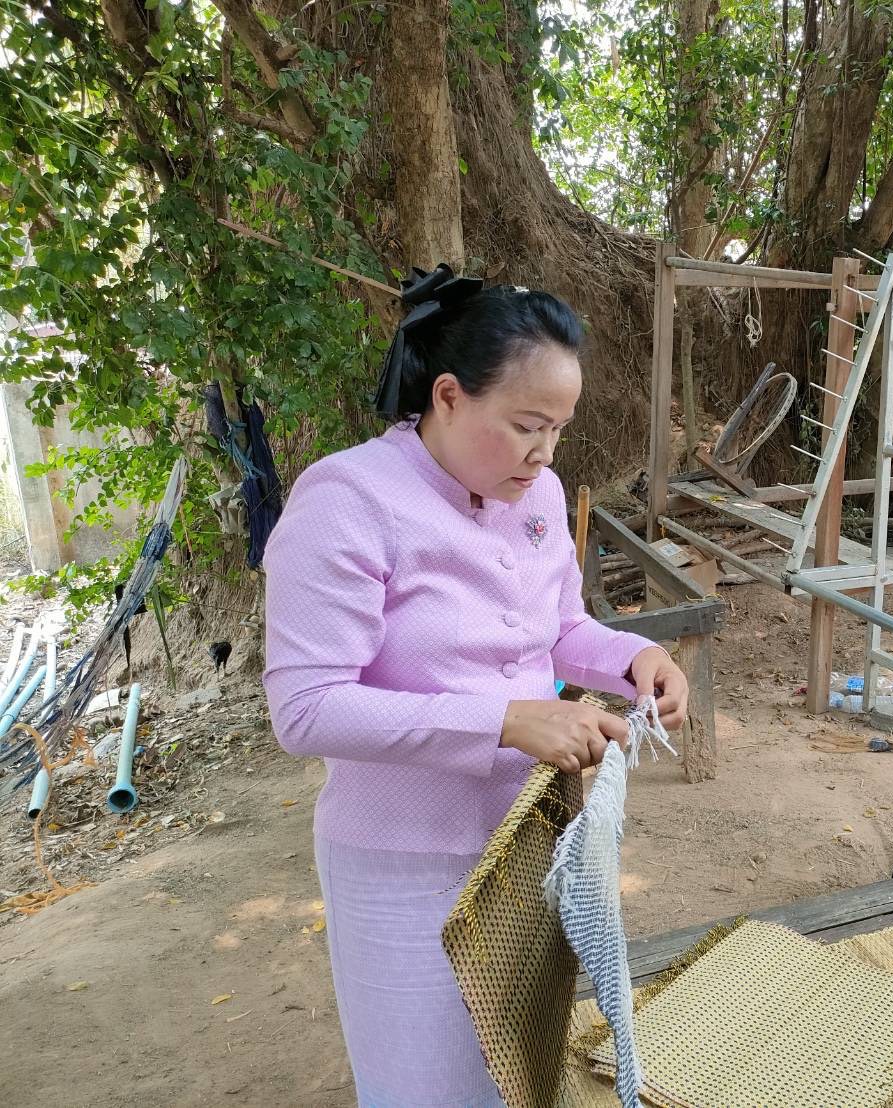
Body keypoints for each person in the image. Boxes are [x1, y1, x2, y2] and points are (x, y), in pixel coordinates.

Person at [262, 265, 689, 1107]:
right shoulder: (348, 499)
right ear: (448, 396)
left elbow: (560, 629)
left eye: (559, 431)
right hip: (405, 864)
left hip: (527, 842)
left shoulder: (534, 493)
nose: (544, 453)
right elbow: (306, 708)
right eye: (527, 425)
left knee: (519, 1071)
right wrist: (503, 721)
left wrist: (635, 658)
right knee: (426, 1085)